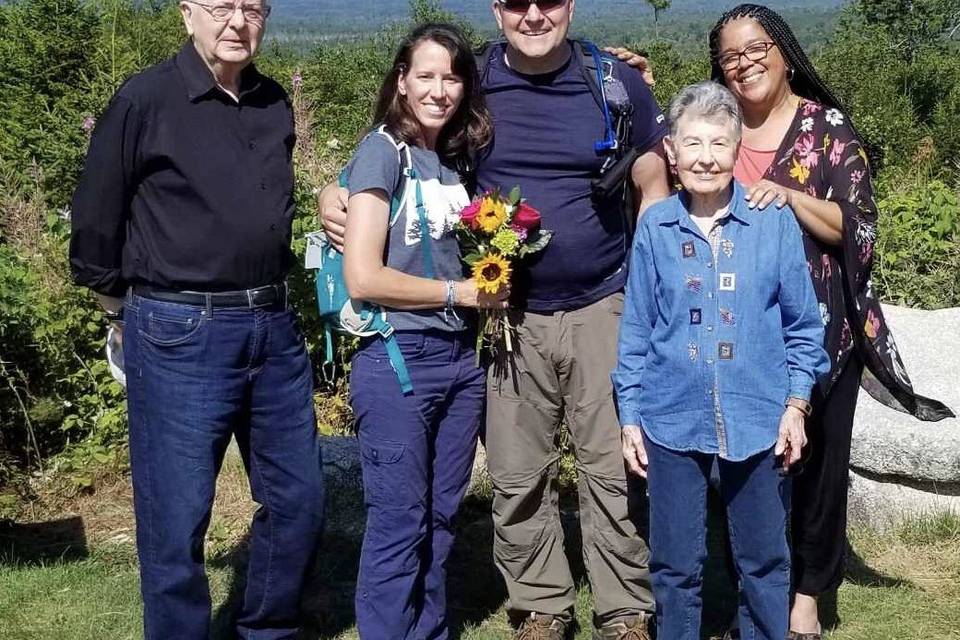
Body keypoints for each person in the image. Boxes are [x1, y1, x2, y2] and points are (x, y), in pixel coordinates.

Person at [322, 1, 671, 637]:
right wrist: (333, 193)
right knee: (516, 471)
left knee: (612, 466)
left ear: (571, 6)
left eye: (549, 1)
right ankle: (540, 604)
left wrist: (650, 297)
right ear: (496, 9)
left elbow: (653, 188)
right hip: (506, 315)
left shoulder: (612, 83)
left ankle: (624, 608)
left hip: (605, 301)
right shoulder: (474, 81)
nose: (533, 14)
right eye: (517, 2)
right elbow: (405, 141)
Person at [69, 2, 325, 637]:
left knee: (299, 503)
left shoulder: (271, 102)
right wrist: (120, 309)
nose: (237, 21)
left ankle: (266, 628)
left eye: (252, 8)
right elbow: (95, 219)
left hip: (272, 328)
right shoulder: (146, 99)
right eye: (220, 7)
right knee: (176, 521)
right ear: (188, 15)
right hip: (178, 330)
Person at [708, 5, 955, 638]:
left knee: (817, 466)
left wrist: (790, 197)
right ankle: (755, 591)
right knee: (747, 467)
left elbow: (859, 226)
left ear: (785, 52)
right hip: (736, 331)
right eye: (731, 56)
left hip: (821, 331)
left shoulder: (826, 130)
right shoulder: (719, 129)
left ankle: (809, 594)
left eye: (756, 47)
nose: (745, 63)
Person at [614, 80, 830, 640]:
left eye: (718, 143)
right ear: (672, 152)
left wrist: (796, 406)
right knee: (675, 567)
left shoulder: (771, 222)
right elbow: (637, 328)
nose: (706, 158)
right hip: (670, 421)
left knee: (763, 562)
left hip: (758, 420)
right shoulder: (655, 229)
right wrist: (630, 416)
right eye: (693, 144)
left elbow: (804, 326)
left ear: (737, 151)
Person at [339, 22, 506, 639]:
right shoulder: (384, 150)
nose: (440, 89)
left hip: (461, 362)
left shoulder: (454, 158)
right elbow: (363, 276)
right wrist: (458, 292)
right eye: (426, 76)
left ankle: (427, 630)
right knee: (398, 520)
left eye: (453, 76)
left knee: (439, 515)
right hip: (397, 359)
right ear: (402, 82)